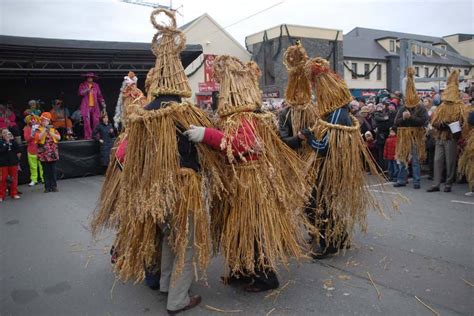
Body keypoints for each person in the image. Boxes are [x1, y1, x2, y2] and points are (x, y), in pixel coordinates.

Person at [185, 55, 309, 291]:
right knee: (238, 229)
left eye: (223, 89)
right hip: (237, 183)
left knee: (251, 231)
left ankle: (265, 277)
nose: (221, 94)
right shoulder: (234, 117)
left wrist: (207, 135)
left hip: (249, 182)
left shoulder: (244, 117)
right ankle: (241, 271)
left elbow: (241, 145)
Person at [300, 57, 392, 258]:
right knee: (326, 203)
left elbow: (325, 147)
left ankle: (328, 243)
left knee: (318, 203)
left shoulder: (334, 115)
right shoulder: (341, 113)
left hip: (331, 167)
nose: (318, 95)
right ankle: (339, 237)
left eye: (319, 92)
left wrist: (309, 137)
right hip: (337, 167)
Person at [427, 70, 467, 193]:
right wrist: (441, 125)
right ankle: (436, 183)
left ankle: (448, 183)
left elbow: (463, 122)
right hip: (440, 137)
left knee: (450, 162)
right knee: (437, 160)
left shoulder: (459, 107)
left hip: (451, 138)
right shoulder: (441, 107)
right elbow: (433, 121)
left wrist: (453, 126)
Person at [393, 67, 429, 189]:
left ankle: (417, 181)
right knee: (402, 158)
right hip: (404, 137)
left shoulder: (421, 108)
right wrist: (403, 118)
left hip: (415, 136)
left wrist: (410, 118)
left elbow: (423, 121)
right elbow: (396, 123)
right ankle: (401, 179)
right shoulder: (403, 108)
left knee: (415, 159)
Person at [34, 112, 61, 193]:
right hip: (43, 154)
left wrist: (50, 132)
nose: (45, 122)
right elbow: (38, 137)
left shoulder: (53, 129)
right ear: (41, 121)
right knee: (45, 171)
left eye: (46, 121)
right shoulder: (38, 129)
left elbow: (59, 137)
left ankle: (54, 186)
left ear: (49, 122)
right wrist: (45, 130)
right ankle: (47, 187)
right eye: (43, 121)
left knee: (53, 171)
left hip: (52, 153)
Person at [78, 72, 106, 140]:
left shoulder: (96, 85)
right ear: (87, 78)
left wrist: (102, 101)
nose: (90, 78)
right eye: (89, 77)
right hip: (86, 106)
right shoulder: (83, 84)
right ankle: (88, 136)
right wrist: (87, 90)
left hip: (95, 106)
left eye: (91, 77)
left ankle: (96, 135)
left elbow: (99, 95)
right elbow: (80, 93)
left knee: (96, 121)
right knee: (86, 121)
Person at [0, 129, 21, 202]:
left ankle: (14, 193)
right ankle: (1, 195)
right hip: (3, 163)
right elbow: (1, 151)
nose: (6, 134)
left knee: (14, 178)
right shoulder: (0, 142)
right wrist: (6, 143)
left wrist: (17, 160)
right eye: (4, 133)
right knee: (3, 179)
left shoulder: (13, 141)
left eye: (7, 132)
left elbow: (18, 151)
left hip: (13, 162)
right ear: (2, 135)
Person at [23, 115, 43, 186]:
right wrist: (32, 134)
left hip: (41, 149)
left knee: (42, 165)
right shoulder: (26, 128)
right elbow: (27, 139)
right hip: (31, 150)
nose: (33, 121)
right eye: (31, 119)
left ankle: (43, 178)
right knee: (33, 166)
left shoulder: (40, 127)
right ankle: (34, 180)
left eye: (34, 119)